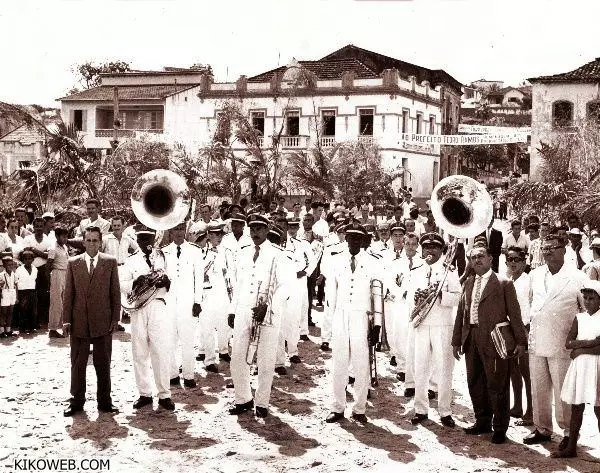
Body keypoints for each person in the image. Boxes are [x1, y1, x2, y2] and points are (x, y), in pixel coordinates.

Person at [452, 245, 527, 444]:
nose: (477, 260)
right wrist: (456, 341)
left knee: (497, 383)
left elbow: (515, 315)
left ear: (490, 258)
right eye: (473, 257)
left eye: (481, 256)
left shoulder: (503, 283)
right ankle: (482, 421)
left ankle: (500, 427)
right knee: (475, 381)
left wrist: (521, 341)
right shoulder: (468, 282)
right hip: (471, 338)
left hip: (494, 340)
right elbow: (462, 314)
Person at [227, 214, 293, 418]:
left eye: (259, 228)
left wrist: (269, 307)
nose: (255, 232)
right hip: (244, 309)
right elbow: (237, 284)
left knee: (265, 359)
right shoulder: (243, 253)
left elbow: (285, 287)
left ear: (266, 230)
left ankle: (262, 402)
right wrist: (232, 310)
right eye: (252, 229)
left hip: (268, 312)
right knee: (238, 356)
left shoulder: (278, 254)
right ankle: (243, 399)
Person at [524, 233, 587, 449]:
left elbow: (586, 311)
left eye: (553, 247)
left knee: (564, 390)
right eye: (545, 248)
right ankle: (542, 429)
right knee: (538, 388)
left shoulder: (577, 277)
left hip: (562, 342)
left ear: (564, 249)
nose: (548, 251)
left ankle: (569, 432)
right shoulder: (535, 274)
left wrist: (579, 341)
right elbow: (531, 303)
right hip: (537, 339)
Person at [325, 222, 382, 424]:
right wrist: (329, 324)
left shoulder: (373, 261)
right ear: (345, 239)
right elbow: (330, 295)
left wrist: (377, 325)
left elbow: (377, 295)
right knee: (339, 363)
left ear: (363, 241)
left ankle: (360, 408)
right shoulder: (335, 260)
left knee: (361, 364)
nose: (354, 242)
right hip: (341, 315)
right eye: (351, 237)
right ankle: (337, 407)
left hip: (362, 316)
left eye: (359, 238)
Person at [62, 226, 121, 417]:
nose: (92, 244)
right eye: (88, 240)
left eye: (95, 240)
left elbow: (115, 293)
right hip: (79, 321)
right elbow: (69, 294)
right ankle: (76, 401)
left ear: (101, 242)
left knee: (103, 362)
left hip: (102, 322)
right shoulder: (74, 263)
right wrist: (66, 320)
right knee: (78, 363)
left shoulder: (109, 262)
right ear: (83, 242)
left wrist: (114, 318)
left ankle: (105, 401)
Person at [408, 232, 461, 427]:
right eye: (427, 247)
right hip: (422, 325)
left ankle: (445, 411)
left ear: (441, 250)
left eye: (435, 247)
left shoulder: (449, 270)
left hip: (442, 325)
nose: (430, 251)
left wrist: (440, 296)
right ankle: (421, 409)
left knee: (444, 369)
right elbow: (409, 298)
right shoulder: (416, 269)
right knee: (419, 368)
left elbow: (458, 297)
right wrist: (416, 299)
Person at [121, 229, 175, 411]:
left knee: (160, 350)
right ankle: (144, 393)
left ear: (154, 238)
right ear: (137, 240)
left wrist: (166, 282)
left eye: (148, 238)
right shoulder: (130, 260)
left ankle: (164, 394)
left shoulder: (162, 257)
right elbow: (121, 284)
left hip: (158, 305)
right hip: (139, 307)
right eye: (141, 239)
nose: (145, 242)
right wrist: (136, 281)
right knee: (139, 351)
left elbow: (173, 279)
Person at [551, 279, 600, 458]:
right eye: (585, 298)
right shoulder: (579, 318)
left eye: (592, 298)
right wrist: (589, 343)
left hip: (597, 367)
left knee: (598, 408)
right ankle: (571, 447)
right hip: (580, 367)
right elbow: (568, 343)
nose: (587, 301)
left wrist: (579, 350)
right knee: (576, 407)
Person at [162, 221, 204, 385]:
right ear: (171, 232)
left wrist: (197, 301)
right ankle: (172, 374)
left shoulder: (195, 251)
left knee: (188, 340)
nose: (179, 232)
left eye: (181, 229)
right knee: (169, 340)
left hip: (188, 303)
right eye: (175, 229)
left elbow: (199, 278)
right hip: (169, 303)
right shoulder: (164, 252)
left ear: (185, 231)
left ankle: (188, 376)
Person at [505, 246, 533, 425]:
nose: (513, 263)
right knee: (513, 370)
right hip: (510, 329)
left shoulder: (528, 281)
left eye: (517, 259)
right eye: (510, 259)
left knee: (526, 372)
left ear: (524, 262)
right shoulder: (508, 280)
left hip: (525, 329)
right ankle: (517, 406)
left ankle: (531, 412)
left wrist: (526, 331)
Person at [196, 222, 229, 373]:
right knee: (207, 328)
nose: (219, 237)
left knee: (224, 325)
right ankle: (209, 360)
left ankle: (223, 351)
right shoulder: (201, 252)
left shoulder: (226, 251)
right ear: (208, 236)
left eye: (221, 234)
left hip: (222, 294)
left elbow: (229, 273)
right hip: (207, 295)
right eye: (216, 234)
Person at [23, 217, 51, 327]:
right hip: (30, 270)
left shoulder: (48, 240)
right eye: (37, 226)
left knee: (42, 295)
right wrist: (42, 253)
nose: (39, 228)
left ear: (44, 227)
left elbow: (49, 256)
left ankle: (40, 320)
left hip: (43, 270)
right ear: (33, 227)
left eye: (41, 226)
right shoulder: (28, 238)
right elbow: (26, 255)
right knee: (29, 295)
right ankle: (29, 321)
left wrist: (34, 250)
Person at [47, 228, 70, 338]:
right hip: (56, 274)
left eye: (66, 237)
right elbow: (49, 265)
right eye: (63, 236)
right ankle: (52, 329)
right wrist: (49, 281)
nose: (65, 239)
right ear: (57, 236)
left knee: (64, 302)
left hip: (65, 273)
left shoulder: (65, 247)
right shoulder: (53, 248)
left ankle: (61, 326)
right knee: (56, 302)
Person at [15, 249, 38, 334]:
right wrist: (17, 295)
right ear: (23, 260)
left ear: (33, 259)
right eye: (26, 259)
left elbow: (35, 281)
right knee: (23, 310)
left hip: (32, 291)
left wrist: (34, 292)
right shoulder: (19, 270)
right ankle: (22, 328)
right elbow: (16, 282)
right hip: (22, 292)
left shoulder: (35, 269)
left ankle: (32, 327)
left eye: (30, 259)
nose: (28, 260)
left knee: (33, 310)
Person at [0, 256, 17, 337]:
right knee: (3, 312)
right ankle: (1, 331)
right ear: (4, 266)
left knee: (10, 312)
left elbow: (16, 285)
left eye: (12, 265)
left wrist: (16, 297)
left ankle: (8, 330)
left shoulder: (14, 274)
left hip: (12, 293)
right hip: (5, 293)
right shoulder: (1, 275)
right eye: (8, 265)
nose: (11, 266)